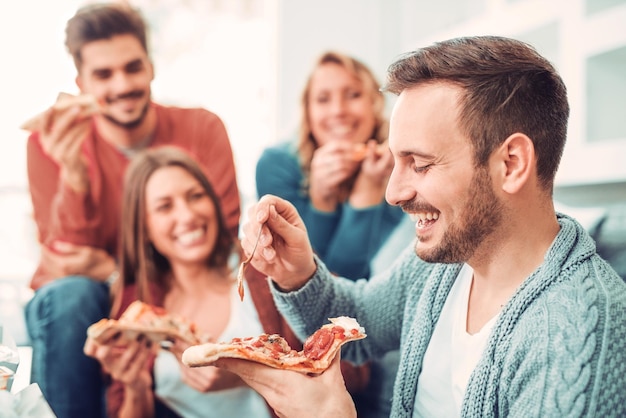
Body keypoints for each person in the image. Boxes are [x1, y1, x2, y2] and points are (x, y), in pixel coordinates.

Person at [218, 36, 626, 417]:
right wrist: (297, 272)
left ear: (511, 164)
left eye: (421, 164)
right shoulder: (448, 258)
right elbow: (361, 321)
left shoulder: (577, 338)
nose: (393, 192)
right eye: (395, 161)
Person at [24, 4, 240, 418]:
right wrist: (75, 177)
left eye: (132, 67)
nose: (122, 85)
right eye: (104, 75)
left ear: (151, 67)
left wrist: (111, 268)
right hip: (79, 306)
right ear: (81, 83)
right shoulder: (49, 144)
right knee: (73, 296)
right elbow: (66, 259)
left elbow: (219, 237)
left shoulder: (202, 128)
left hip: (163, 289)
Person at [83, 146, 369, 418]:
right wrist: (135, 386)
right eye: (165, 207)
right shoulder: (136, 309)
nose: (187, 215)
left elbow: (358, 368)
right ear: (143, 228)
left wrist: (246, 374)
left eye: (195, 196)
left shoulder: (266, 260)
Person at [256, 51, 407, 281]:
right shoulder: (276, 165)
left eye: (353, 95)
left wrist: (367, 192)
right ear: (307, 111)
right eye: (323, 99)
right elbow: (304, 278)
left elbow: (344, 279)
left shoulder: (396, 168)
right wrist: (321, 199)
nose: (338, 111)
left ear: (374, 106)